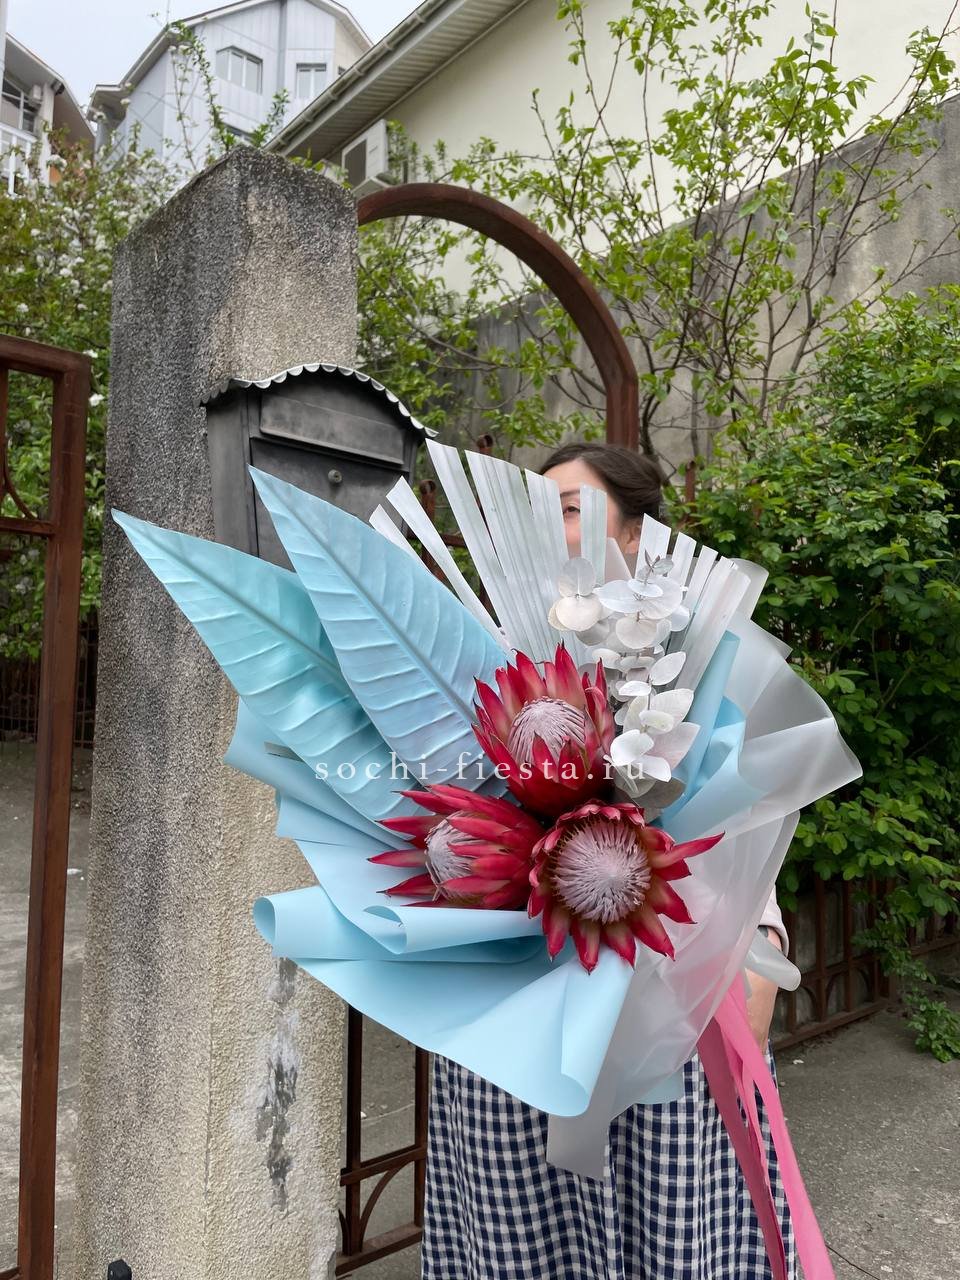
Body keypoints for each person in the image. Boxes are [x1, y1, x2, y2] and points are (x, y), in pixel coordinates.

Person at [420, 440, 796, 1280]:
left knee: (673, 1210)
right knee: (523, 1220)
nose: (548, 527)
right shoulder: (482, 654)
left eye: (569, 508)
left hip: (672, 987)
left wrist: (763, 941)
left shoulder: (697, 653)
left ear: (633, 535)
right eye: (536, 508)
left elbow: (746, 812)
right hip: (518, 997)